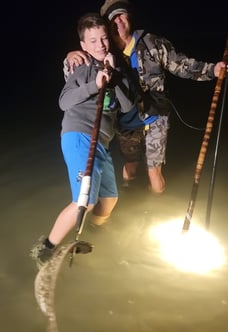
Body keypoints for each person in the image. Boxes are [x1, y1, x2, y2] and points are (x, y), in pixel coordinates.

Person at [64, 0, 227, 194]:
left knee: (154, 175)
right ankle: (132, 201)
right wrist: (70, 56)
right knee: (130, 168)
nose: (118, 20)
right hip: (124, 123)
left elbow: (182, 65)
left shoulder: (152, 43)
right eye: (112, 17)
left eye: (121, 14)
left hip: (155, 116)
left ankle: (154, 208)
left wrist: (212, 70)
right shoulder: (102, 51)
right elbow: (75, 76)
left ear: (129, 17)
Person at [30, 12, 134, 268]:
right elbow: (63, 102)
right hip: (79, 136)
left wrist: (114, 77)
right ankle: (44, 251)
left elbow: (128, 104)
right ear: (84, 46)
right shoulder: (83, 70)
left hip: (102, 143)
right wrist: (94, 85)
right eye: (93, 40)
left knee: (109, 198)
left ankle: (97, 233)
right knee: (85, 200)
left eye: (104, 39)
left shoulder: (115, 69)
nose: (100, 45)